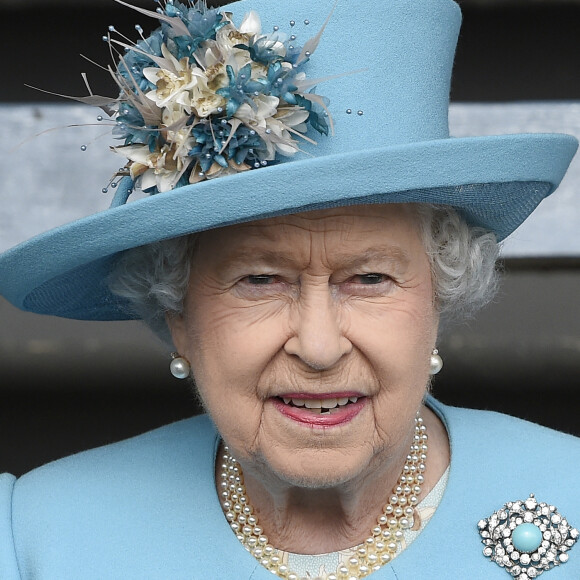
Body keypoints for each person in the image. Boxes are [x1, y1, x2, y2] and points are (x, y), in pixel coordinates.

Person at [0, 0, 578, 578]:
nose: (320, 348)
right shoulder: (37, 537)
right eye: (260, 281)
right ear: (177, 313)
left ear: (438, 297)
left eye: (370, 278)